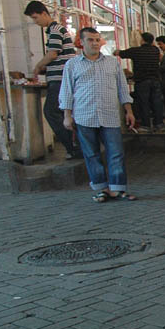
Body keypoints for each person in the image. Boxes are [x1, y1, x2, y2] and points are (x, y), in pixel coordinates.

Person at [59, 27, 137, 202]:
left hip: (109, 115)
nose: (95, 43)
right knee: (91, 154)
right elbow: (66, 92)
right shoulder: (72, 65)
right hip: (84, 116)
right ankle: (102, 188)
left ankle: (118, 189)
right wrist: (67, 115)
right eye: (90, 40)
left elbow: (123, 89)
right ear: (81, 42)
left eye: (97, 40)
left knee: (116, 153)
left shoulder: (112, 63)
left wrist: (129, 111)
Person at [24, 1, 81, 159]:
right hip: (62, 79)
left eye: (36, 18)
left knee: (51, 112)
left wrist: (38, 66)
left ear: (44, 13)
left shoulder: (55, 29)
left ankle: (73, 148)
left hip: (61, 80)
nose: (36, 22)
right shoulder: (54, 31)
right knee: (65, 114)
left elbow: (53, 54)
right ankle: (77, 147)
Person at [115, 33, 163, 132]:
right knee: (156, 102)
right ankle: (159, 124)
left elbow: (121, 53)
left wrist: (116, 51)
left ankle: (146, 125)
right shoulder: (155, 50)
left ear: (142, 40)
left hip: (142, 81)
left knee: (143, 103)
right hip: (155, 80)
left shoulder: (136, 51)